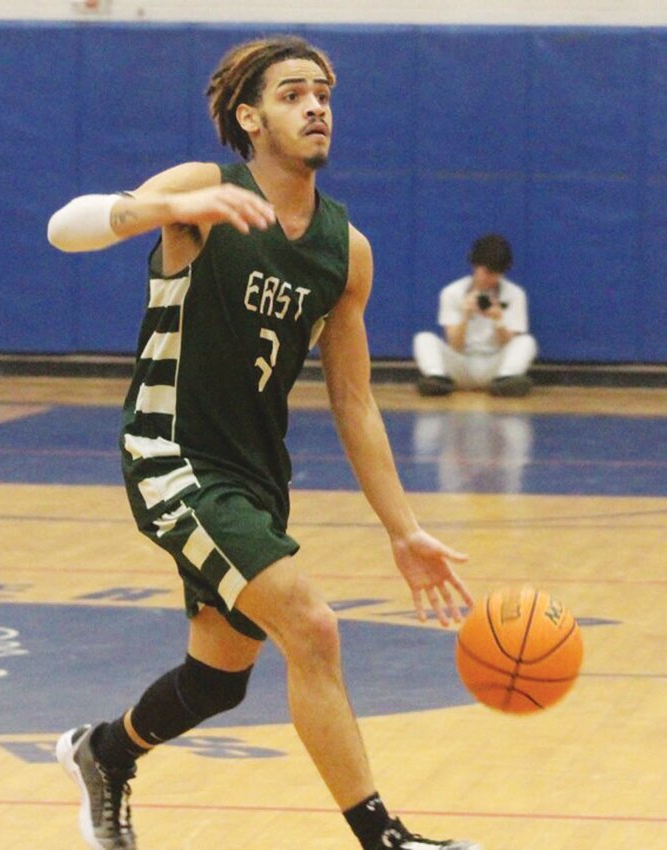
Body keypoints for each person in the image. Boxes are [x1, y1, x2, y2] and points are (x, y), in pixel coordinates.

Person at [47, 36, 480, 850]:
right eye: (292, 94)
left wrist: (403, 529)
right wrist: (162, 210)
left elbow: (354, 402)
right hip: (170, 457)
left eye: (323, 92)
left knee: (218, 682)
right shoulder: (203, 189)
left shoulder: (345, 250)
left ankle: (104, 752)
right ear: (250, 116)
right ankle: (381, 836)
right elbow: (64, 228)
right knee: (312, 626)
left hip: (253, 475)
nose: (316, 105)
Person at [413, 234, 537, 397]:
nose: (490, 279)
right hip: (461, 363)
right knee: (423, 338)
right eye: (487, 272)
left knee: (527, 342)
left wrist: (498, 321)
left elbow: (509, 344)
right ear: (475, 265)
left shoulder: (515, 294)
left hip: (495, 366)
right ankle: (437, 379)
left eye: (496, 273)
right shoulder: (452, 292)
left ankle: (506, 381)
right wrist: (465, 316)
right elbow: (455, 344)